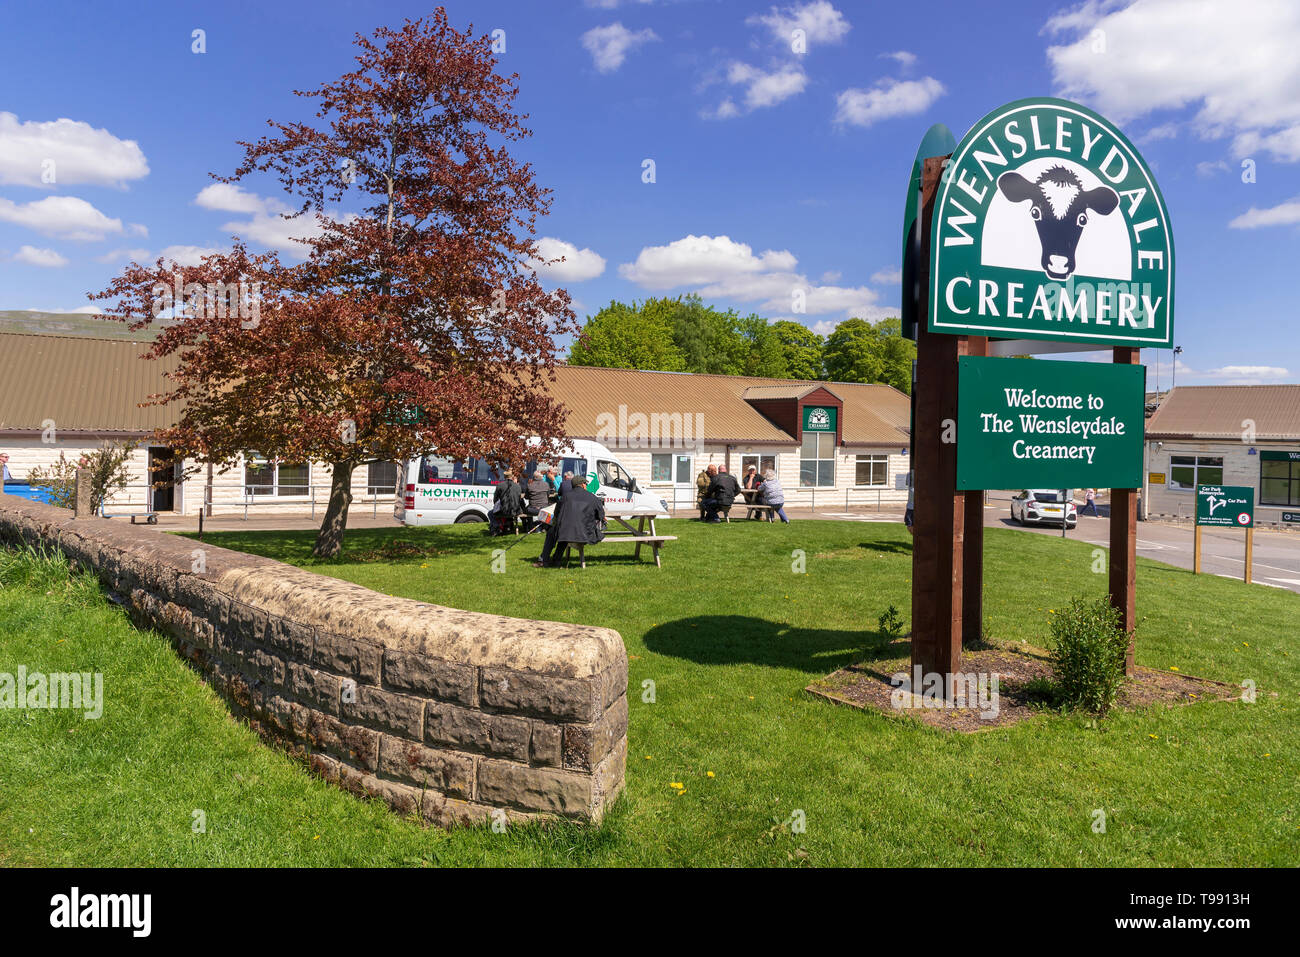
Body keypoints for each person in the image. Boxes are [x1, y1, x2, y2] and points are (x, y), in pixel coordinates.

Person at [535, 475, 606, 567]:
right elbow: (601, 515)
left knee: (554, 532)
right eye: (586, 484)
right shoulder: (592, 497)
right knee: (567, 531)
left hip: (567, 532)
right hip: (586, 533)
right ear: (583, 485)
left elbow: (557, 513)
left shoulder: (565, 496)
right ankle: (555, 560)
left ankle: (545, 560)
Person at [491, 468, 523, 535]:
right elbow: (519, 499)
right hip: (516, 510)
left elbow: (495, 499)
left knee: (490, 513)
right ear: (512, 477)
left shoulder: (500, 485)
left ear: (505, 476)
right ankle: (506, 527)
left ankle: (496, 529)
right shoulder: (518, 486)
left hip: (504, 511)